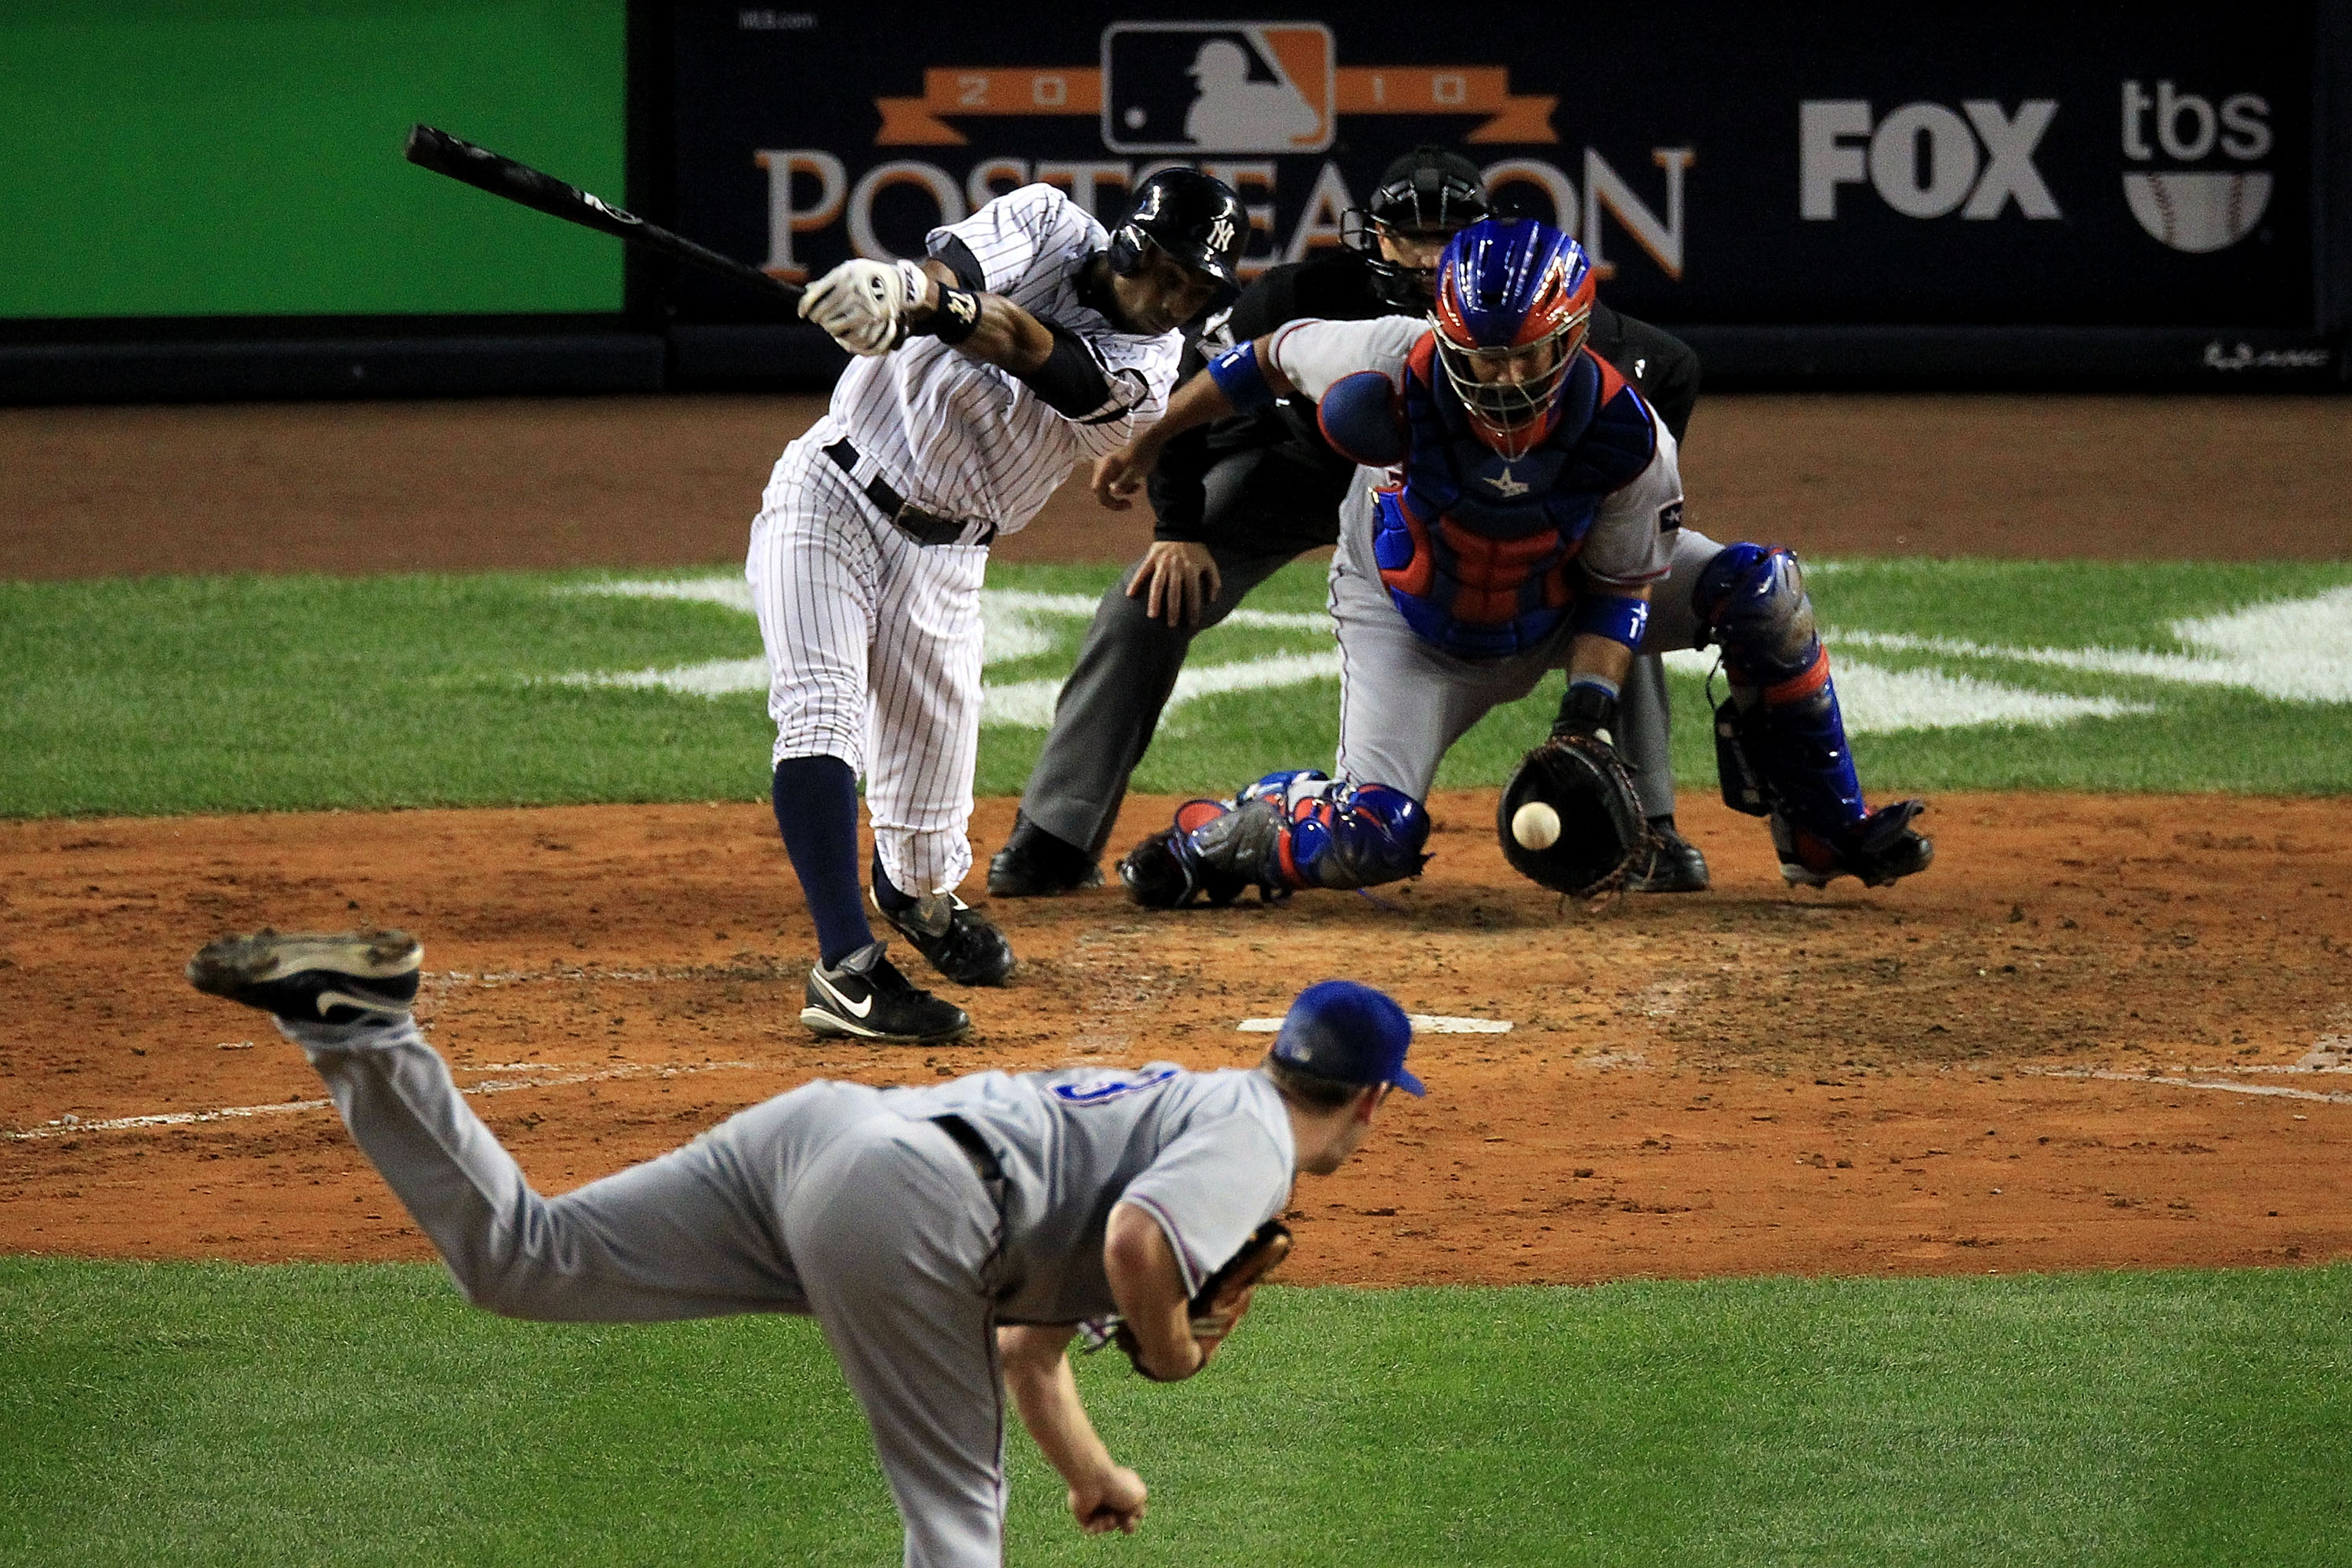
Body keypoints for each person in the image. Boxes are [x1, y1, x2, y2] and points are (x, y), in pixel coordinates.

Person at [186, 927, 1423, 1568]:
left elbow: (1028, 1351)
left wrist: (1097, 1472)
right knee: (955, 1513)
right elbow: (1145, 1243)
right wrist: (1168, 1356)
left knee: (528, 1260)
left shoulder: (1195, 1097)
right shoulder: (1256, 1139)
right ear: (1369, 1098)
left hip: (833, 1137)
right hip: (919, 1202)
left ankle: (360, 1031)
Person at [1097, 216, 1934, 908]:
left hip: (1559, 591)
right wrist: (1152, 441)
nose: (1502, 378)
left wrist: (1585, 713)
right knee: (1367, 838)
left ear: (1570, 337)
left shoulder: (1628, 434)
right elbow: (1259, 360)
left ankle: (1824, 826)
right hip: (1409, 617)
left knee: (1761, 592)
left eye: (1526, 355)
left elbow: (1620, 583)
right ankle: (1221, 831)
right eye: (1482, 356)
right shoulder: (1389, 354)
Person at [989, 147, 1711, 902]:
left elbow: (1674, 371)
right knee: (1148, 602)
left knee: (1622, 582)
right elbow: (1193, 385)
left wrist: (1592, 516)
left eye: (1447, 235)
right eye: (1407, 235)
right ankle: (1056, 832)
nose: (1427, 256)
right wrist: (1176, 527)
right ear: (1376, 237)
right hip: (1299, 472)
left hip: (1476, 506)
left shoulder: (1540, 318)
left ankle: (1647, 824)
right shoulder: (1303, 295)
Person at [762, 168, 1245, 1043]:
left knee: (925, 836)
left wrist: (920, 303)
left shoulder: (1149, 367)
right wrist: (905, 290)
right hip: (831, 494)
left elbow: (1034, 351)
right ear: (1129, 243)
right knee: (820, 714)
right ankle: (847, 970)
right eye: (1168, 274)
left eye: (1198, 290)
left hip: (947, 564)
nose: (1176, 301)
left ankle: (914, 899)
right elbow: (956, 271)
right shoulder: (1047, 220)